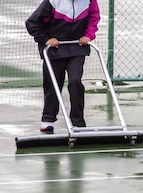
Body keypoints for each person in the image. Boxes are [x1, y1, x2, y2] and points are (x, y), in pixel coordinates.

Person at [26, 0, 101, 132]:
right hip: (54, 48)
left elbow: (94, 18)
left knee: (75, 81)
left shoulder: (89, 1)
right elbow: (32, 23)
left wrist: (88, 35)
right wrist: (45, 39)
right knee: (53, 83)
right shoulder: (53, 1)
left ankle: (78, 121)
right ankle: (48, 118)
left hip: (77, 46)